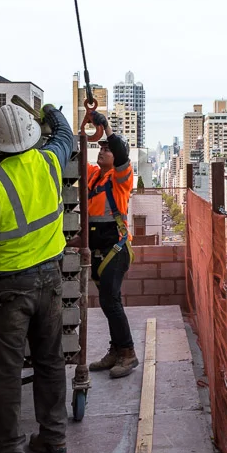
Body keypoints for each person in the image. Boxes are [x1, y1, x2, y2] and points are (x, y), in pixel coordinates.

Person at [0, 100, 74, 453]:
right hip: (51, 282)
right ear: (31, 135)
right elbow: (65, 136)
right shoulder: (50, 163)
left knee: (6, 375)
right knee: (50, 362)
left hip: (9, 289)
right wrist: (51, 112)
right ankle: (54, 439)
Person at [87, 130, 137, 378]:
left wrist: (107, 128)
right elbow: (73, 156)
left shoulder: (121, 179)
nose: (102, 150)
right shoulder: (94, 176)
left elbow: (121, 150)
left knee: (110, 301)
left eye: (107, 149)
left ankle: (127, 353)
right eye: (100, 147)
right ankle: (117, 349)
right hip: (100, 248)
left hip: (116, 249)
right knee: (108, 302)